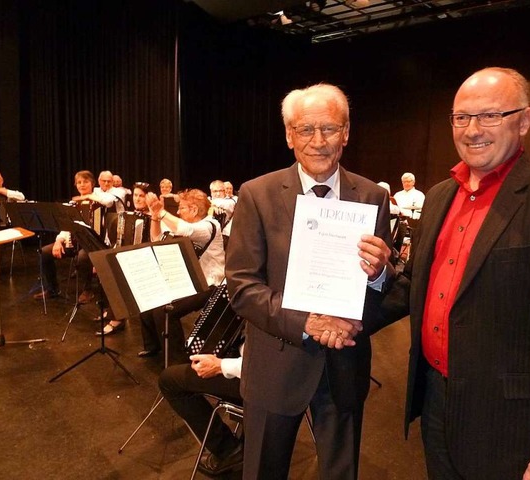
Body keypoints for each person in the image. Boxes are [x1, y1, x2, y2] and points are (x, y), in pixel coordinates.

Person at [379, 67, 530, 480]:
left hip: (514, 424)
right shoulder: (438, 197)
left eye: (490, 116)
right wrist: (368, 283)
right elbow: (418, 285)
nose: (473, 130)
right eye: (461, 117)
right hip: (437, 402)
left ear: (523, 121)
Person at [225, 83, 392, 479]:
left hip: (344, 365)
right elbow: (243, 288)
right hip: (275, 366)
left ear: (346, 133)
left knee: (341, 473)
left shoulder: (372, 196)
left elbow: (382, 289)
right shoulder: (257, 195)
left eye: (330, 129)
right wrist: (308, 324)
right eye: (306, 130)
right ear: (289, 135)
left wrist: (382, 271)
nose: (318, 142)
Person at [139, 188, 224, 363]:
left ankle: (176, 361)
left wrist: (160, 211)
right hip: (188, 280)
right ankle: (154, 345)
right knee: (148, 301)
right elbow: (157, 238)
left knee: (165, 311)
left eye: (182, 208)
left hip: (209, 284)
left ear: (194, 210)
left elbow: (185, 229)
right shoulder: (189, 225)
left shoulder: (208, 225)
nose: (178, 212)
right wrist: (155, 216)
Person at [159, 345, 244, 475]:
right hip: (246, 362)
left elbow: (264, 365)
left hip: (253, 379)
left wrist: (221, 365)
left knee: (169, 381)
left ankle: (229, 450)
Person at [95, 181, 152, 335]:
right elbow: (119, 241)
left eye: (142, 196)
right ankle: (112, 309)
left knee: (118, 274)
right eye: (135, 195)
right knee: (104, 267)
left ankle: (117, 318)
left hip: (148, 261)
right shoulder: (127, 216)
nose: (138, 199)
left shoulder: (154, 218)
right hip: (129, 256)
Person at [33, 170, 98, 302]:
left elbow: (109, 200)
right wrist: (59, 241)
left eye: (86, 181)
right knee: (45, 252)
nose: (82, 185)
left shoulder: (99, 200)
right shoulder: (71, 205)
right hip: (73, 241)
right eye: (79, 182)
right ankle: (52, 289)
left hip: (91, 243)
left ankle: (87, 290)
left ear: (92, 183)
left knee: (83, 256)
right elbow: (65, 227)